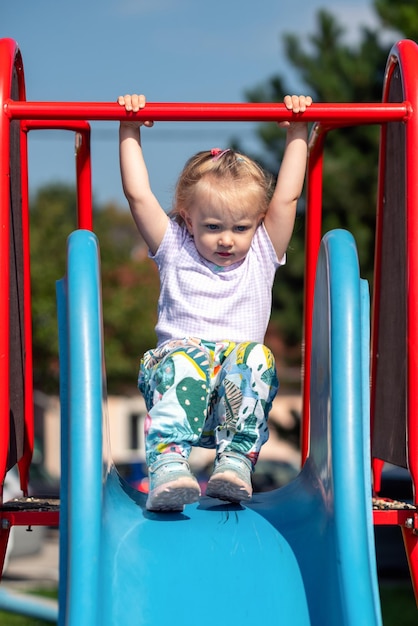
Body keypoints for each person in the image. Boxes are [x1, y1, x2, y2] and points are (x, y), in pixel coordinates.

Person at [118, 93, 312, 511]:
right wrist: (129, 129)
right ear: (186, 218)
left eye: (240, 226)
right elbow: (138, 196)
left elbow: (288, 199)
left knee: (257, 357)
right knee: (184, 359)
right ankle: (169, 465)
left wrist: (298, 131)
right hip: (179, 388)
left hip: (233, 397)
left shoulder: (261, 252)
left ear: (257, 223)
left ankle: (234, 462)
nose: (227, 238)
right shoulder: (174, 247)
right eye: (212, 226)